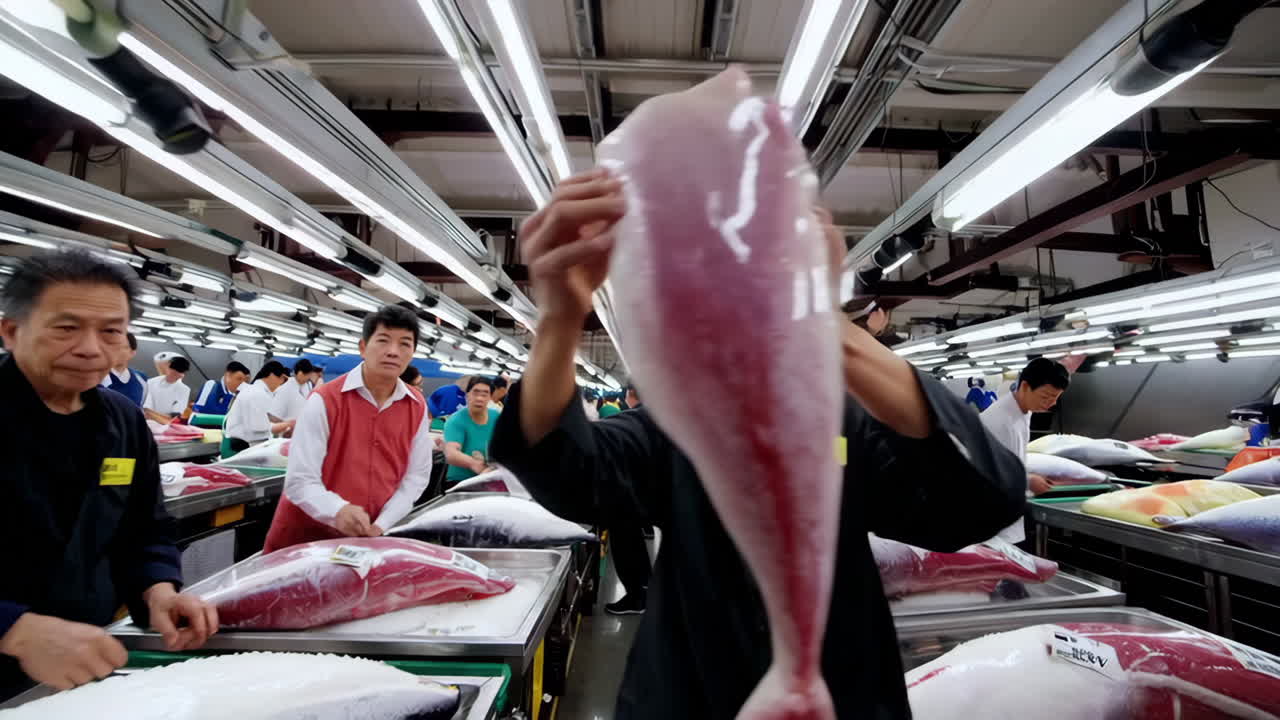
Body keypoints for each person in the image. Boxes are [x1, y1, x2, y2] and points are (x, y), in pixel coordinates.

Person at [488, 170, 1023, 719]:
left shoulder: (848, 423)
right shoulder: (678, 424)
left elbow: (979, 502)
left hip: (839, 689)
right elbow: (571, 469)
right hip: (689, 690)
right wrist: (559, 321)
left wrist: (825, 320)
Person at [0, 251, 217, 699]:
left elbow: (144, 527)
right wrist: (13, 628)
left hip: (81, 663)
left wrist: (158, 589)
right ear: (11, 331)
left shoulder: (123, 421)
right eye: (66, 327)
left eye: (110, 331)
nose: (90, 348)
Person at [262, 305, 433, 552]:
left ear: (413, 352)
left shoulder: (416, 406)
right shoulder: (325, 400)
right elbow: (300, 480)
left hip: (365, 540)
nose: (393, 352)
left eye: (405, 344)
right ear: (363, 348)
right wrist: (337, 510)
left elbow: (416, 476)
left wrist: (383, 523)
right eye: (383, 341)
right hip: (304, 542)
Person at [981, 357, 1071, 542]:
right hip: (990, 521)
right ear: (1024, 386)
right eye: (1046, 397)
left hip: (1007, 514)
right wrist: (1027, 481)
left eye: (1055, 398)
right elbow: (986, 473)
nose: (1051, 403)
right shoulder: (997, 421)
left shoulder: (1023, 410)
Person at [224, 361, 294, 453]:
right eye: (282, 380)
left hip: (251, 444)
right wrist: (289, 424)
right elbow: (259, 428)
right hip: (242, 448)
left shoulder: (262, 393)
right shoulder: (256, 393)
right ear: (272, 375)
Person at [443, 376, 501, 486]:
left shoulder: (496, 417)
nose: (479, 398)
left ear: (490, 398)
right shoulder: (456, 420)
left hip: (491, 479)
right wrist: (475, 464)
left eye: (485, 394)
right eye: (475, 393)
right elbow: (451, 453)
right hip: (460, 481)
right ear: (467, 394)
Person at [100, 332, 147, 407]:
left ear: (132, 353)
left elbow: (139, 409)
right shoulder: (97, 377)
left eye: (122, 347)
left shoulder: (141, 379)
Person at [270, 358, 322, 423]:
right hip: (287, 429)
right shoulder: (284, 389)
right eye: (307, 376)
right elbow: (273, 417)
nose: (308, 378)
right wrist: (286, 426)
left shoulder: (308, 385)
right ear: (300, 373)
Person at [142, 355, 190, 424]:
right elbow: (145, 410)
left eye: (178, 375)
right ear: (168, 368)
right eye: (173, 373)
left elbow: (176, 416)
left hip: (168, 424)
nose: (174, 377)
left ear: (182, 375)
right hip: (148, 422)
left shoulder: (184, 389)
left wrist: (152, 414)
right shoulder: (150, 383)